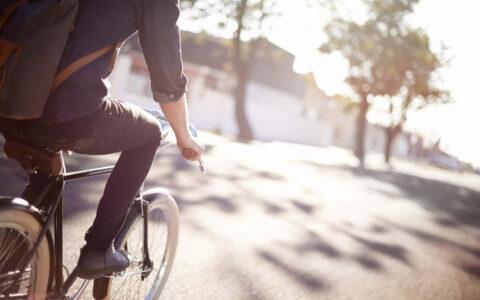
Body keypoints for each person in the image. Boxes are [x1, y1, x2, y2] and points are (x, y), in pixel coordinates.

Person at [0, 0, 204, 279]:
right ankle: (98, 250)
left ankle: (9, 266)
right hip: (64, 110)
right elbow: (166, 72)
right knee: (149, 133)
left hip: (10, 104)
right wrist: (183, 137)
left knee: (46, 180)